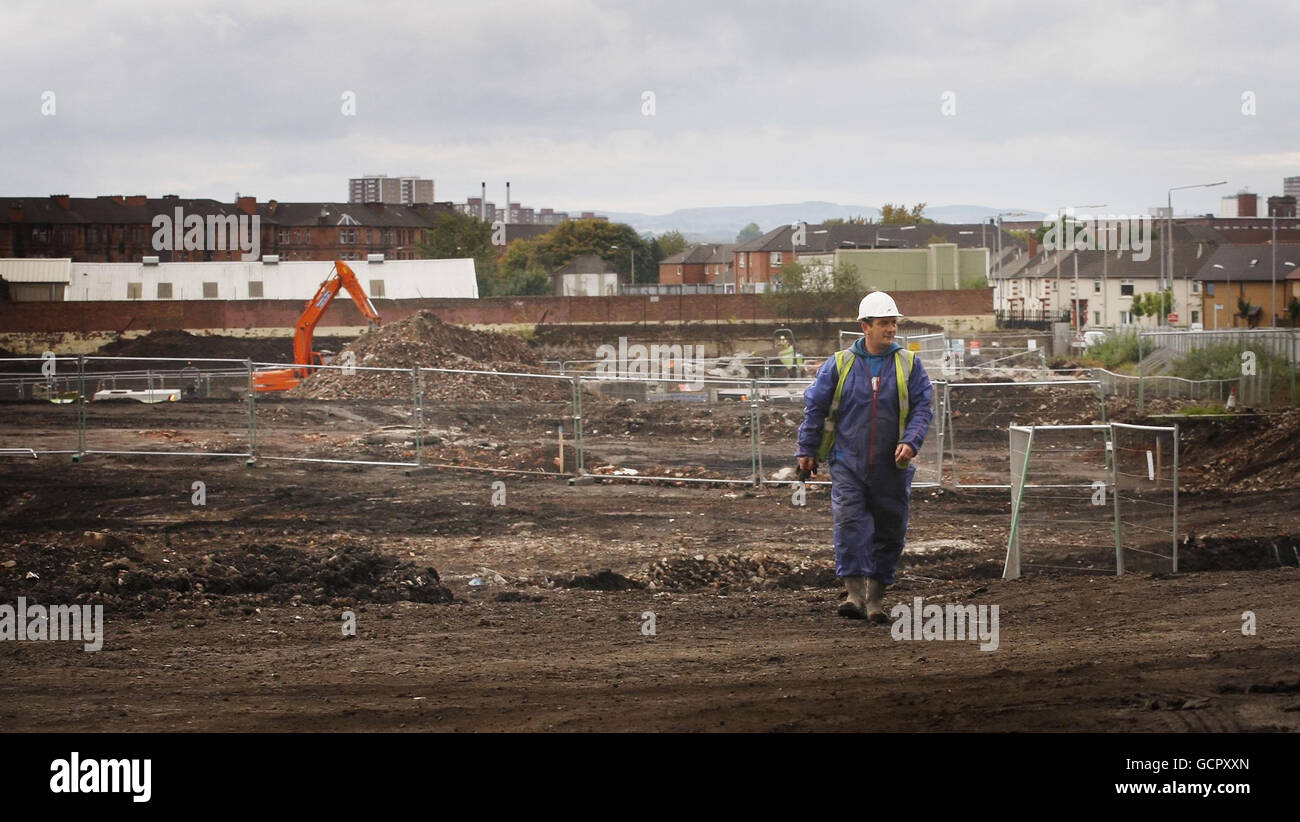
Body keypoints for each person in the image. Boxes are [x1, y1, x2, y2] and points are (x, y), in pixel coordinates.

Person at [795, 292, 933, 622]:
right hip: (847, 462)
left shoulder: (909, 364)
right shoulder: (840, 364)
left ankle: (876, 600)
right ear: (865, 327)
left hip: (892, 466)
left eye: (893, 323)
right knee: (850, 525)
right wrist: (807, 450)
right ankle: (854, 595)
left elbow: (922, 408)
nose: (891, 330)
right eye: (884, 323)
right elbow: (815, 408)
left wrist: (911, 442)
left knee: (889, 530)